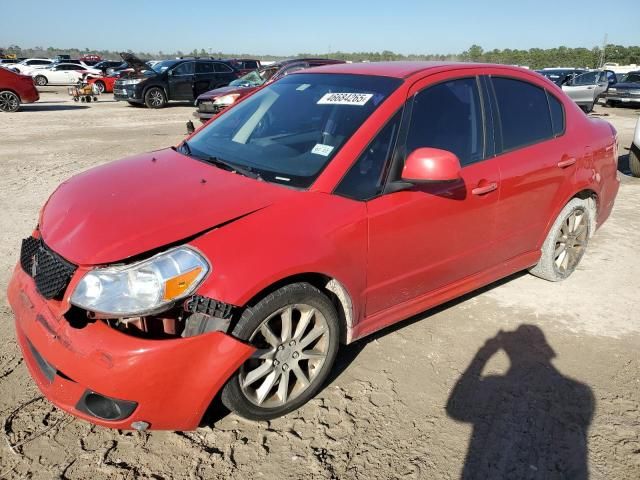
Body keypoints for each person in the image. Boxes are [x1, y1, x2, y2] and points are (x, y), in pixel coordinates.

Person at [446, 325, 594, 479]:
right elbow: (576, 460)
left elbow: (456, 409)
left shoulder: (494, 387)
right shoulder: (578, 392)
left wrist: (482, 355)